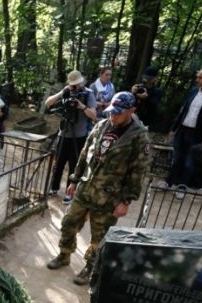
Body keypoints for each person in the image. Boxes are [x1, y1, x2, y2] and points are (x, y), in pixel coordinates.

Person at [46, 92, 151, 285]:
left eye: (118, 113)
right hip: (86, 187)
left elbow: (138, 172)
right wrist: (74, 180)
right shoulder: (102, 125)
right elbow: (85, 154)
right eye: (111, 111)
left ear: (131, 111)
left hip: (109, 197)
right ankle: (64, 255)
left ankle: (90, 267)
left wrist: (126, 201)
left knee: (99, 236)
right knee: (69, 222)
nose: (113, 116)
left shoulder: (139, 137)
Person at [166, 66, 202, 190]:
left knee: (190, 162)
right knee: (176, 158)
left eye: (200, 77)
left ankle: (182, 187)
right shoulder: (193, 91)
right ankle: (168, 182)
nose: (197, 79)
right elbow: (183, 111)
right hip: (183, 130)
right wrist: (173, 129)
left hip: (198, 133)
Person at [45, 70, 97, 200]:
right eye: (72, 84)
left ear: (81, 82)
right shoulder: (67, 91)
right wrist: (62, 92)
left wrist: (82, 106)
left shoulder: (88, 94)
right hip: (64, 133)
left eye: (76, 84)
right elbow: (48, 103)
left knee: (74, 165)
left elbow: (94, 116)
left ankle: (70, 193)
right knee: (59, 163)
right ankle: (54, 188)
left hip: (79, 136)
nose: (75, 87)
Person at [131, 66, 163, 130]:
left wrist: (146, 98)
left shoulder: (157, 91)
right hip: (133, 117)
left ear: (155, 78)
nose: (147, 80)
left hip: (147, 120)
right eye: (146, 78)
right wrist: (132, 93)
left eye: (150, 78)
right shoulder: (138, 87)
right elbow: (129, 101)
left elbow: (154, 103)